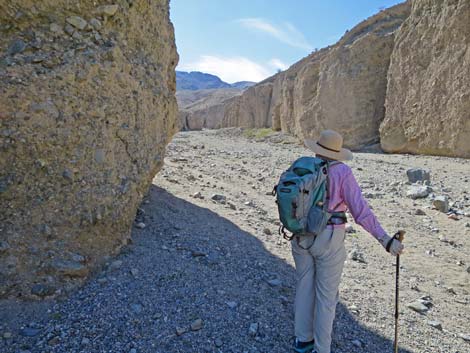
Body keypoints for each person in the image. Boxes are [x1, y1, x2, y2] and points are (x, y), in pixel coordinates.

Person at [291, 130, 404, 353]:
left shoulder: (303, 166)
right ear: (338, 152)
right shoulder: (342, 171)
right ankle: (322, 349)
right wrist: (385, 240)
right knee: (326, 296)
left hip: (300, 235)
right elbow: (360, 212)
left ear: (318, 149)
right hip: (329, 238)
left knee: (304, 287)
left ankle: (303, 341)